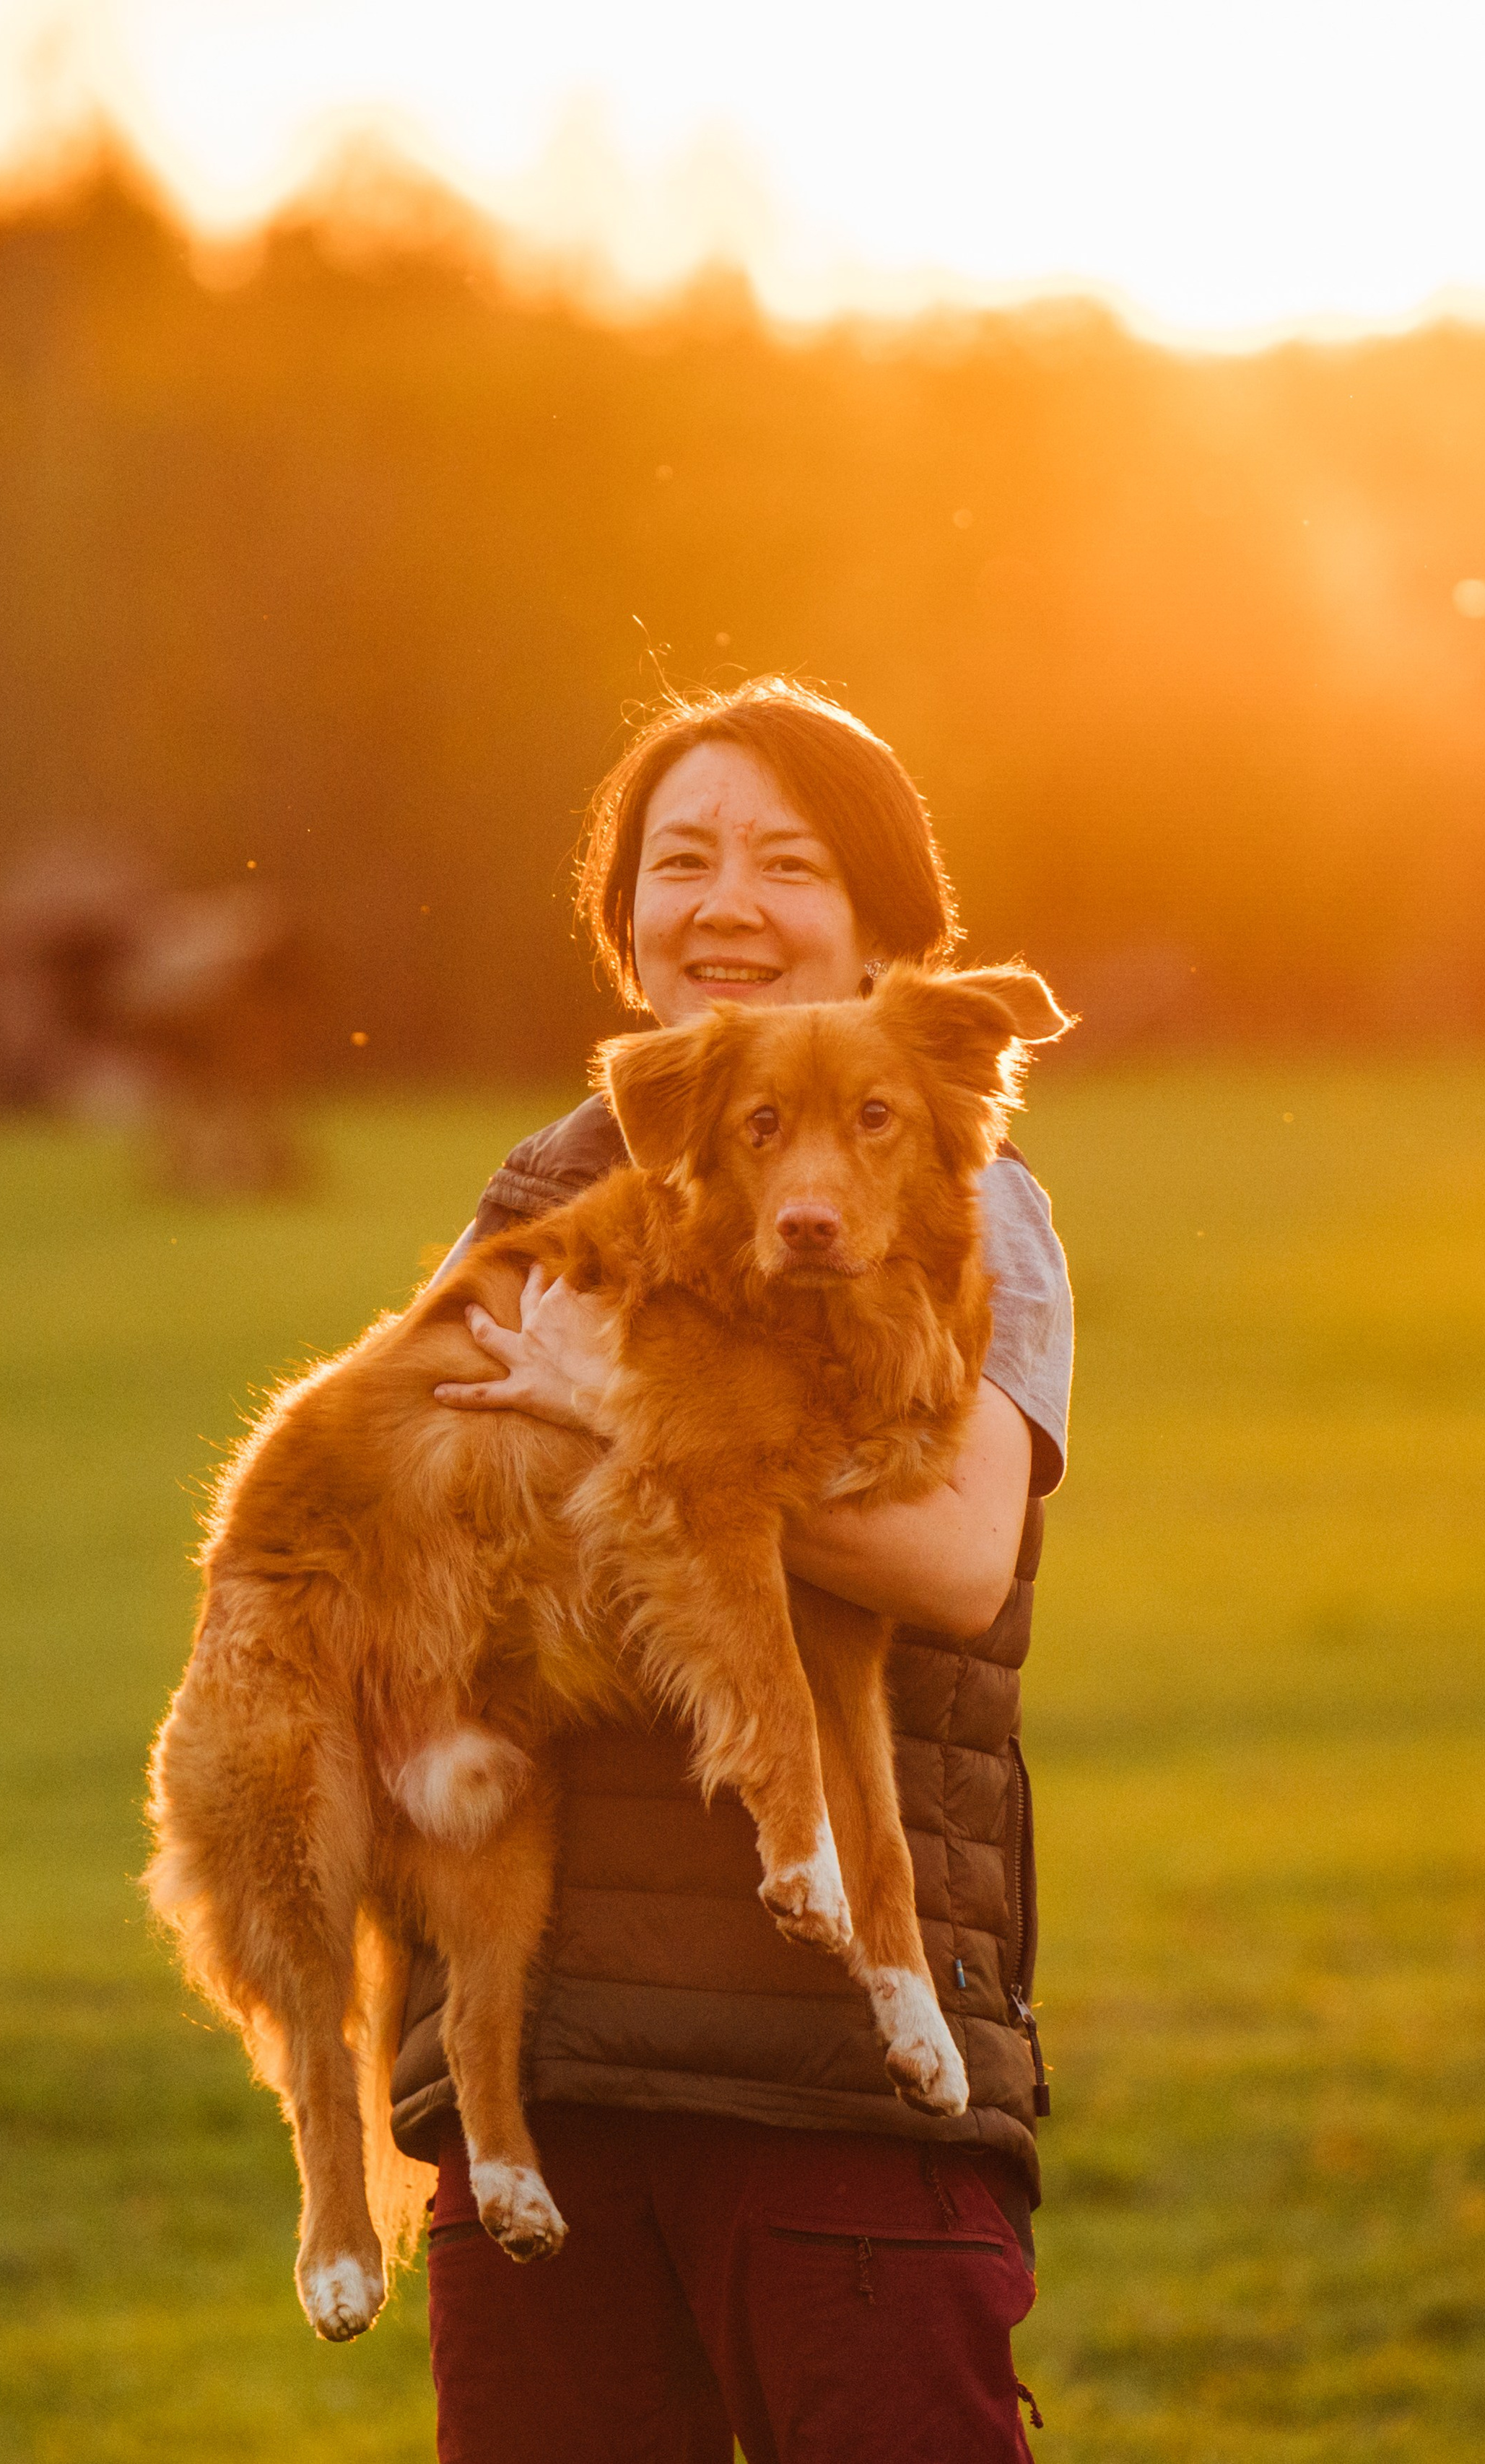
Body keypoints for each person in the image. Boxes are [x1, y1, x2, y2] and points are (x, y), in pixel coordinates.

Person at [391, 677, 1074, 2463]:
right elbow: (424, 1538)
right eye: (678, 861)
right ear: (623, 927)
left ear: (875, 921)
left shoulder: (945, 1190)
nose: (725, 904)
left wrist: (622, 1417)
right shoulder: (542, 1188)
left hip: (832, 2070)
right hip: (541, 2056)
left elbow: (952, 1558)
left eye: (785, 862)